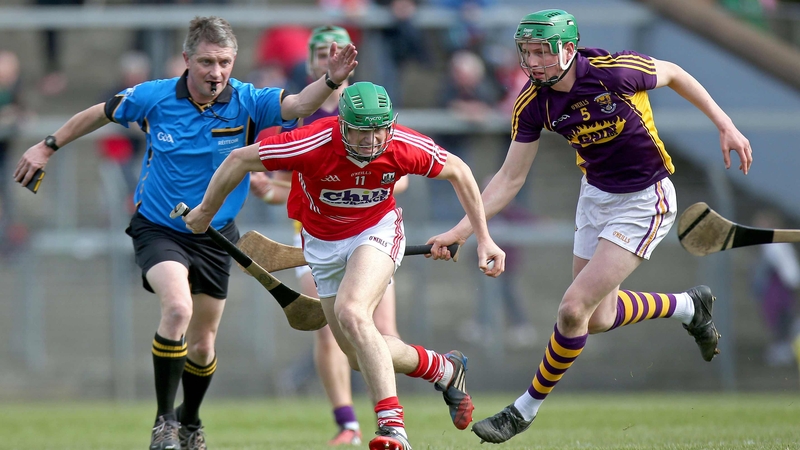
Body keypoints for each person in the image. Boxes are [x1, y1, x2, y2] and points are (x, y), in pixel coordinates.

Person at [13, 15, 358, 450]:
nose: (216, 73)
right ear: (187, 59)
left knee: (203, 344)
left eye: (225, 63)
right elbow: (98, 114)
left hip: (216, 236)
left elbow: (299, 106)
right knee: (177, 309)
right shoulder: (154, 97)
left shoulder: (249, 100)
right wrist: (47, 146)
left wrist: (330, 80)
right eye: (208, 62)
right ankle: (164, 423)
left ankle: (190, 420)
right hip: (159, 228)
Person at [424, 9, 753, 444]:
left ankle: (523, 410)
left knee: (572, 309)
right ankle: (689, 307)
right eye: (528, 52)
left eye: (543, 52)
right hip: (595, 197)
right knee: (596, 318)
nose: (535, 61)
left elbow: (674, 73)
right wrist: (463, 230)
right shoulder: (532, 101)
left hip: (645, 198)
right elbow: (509, 177)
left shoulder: (613, 72)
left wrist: (725, 124)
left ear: (567, 48)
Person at [183, 81, 506, 450]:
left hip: (377, 230)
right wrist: (206, 212)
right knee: (356, 355)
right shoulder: (313, 142)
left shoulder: (401, 144)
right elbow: (238, 159)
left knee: (352, 312)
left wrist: (481, 238)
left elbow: (460, 171)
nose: (371, 141)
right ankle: (444, 369)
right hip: (320, 245)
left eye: (379, 131)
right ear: (342, 125)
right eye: (361, 132)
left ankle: (392, 427)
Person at [250, 25, 409, 446]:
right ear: (310, 62)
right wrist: (271, 192)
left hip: (370, 233)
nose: (328, 58)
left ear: (351, 63)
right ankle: (348, 423)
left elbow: (400, 175)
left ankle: (435, 371)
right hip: (314, 238)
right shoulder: (299, 115)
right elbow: (287, 186)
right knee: (330, 328)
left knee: (381, 332)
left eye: (337, 52)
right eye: (321, 52)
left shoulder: (371, 113)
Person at [749, 209, 800, 367]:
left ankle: (785, 356)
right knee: (778, 323)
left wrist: (793, 287)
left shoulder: (776, 246)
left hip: (780, 293)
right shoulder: (768, 247)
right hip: (772, 293)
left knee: (783, 323)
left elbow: (790, 271)